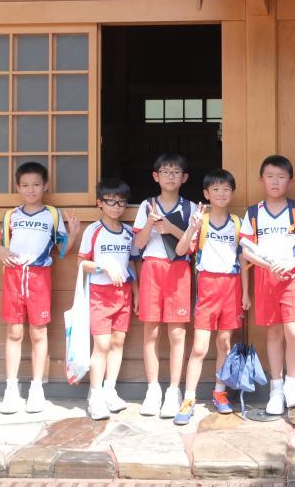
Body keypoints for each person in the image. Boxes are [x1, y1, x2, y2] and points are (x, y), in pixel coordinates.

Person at [0, 161, 77, 414]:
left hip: (40, 278)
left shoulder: (52, 215)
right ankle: (11, 388)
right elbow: (0, 243)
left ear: (45, 186)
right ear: (18, 187)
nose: (31, 190)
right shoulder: (11, 215)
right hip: (13, 277)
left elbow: (62, 250)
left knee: (39, 333)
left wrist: (73, 234)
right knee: (14, 332)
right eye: (25, 185)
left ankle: (36, 388)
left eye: (36, 184)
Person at [239, 155, 295, 415]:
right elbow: (246, 250)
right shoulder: (253, 212)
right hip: (265, 277)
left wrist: (290, 264)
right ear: (261, 180)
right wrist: (268, 265)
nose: (275, 181)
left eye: (281, 177)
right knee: (274, 333)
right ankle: (276, 387)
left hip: (293, 277)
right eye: (270, 176)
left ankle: (292, 383)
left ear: (290, 181)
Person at [171, 169, 244, 425]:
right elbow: (181, 249)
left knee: (224, 343)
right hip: (207, 287)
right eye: (215, 189)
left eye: (226, 189)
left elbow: (244, 260)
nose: (221, 193)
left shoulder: (238, 223)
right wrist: (192, 227)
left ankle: (219, 392)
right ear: (206, 194)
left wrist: (246, 293)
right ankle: (189, 399)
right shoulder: (200, 221)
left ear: (232, 192)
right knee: (200, 347)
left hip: (232, 287)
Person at [132, 153, 194, 418]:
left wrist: (169, 227)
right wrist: (149, 222)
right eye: (165, 171)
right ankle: (153, 390)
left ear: (184, 177)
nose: (170, 176)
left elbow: (192, 247)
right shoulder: (146, 205)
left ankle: (174, 390)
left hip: (179, 270)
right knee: (151, 332)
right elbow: (138, 244)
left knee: (177, 333)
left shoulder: (191, 207)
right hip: (152, 269)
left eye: (176, 172)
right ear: (155, 176)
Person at [78, 178, 139, 420]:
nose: (116, 207)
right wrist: (103, 266)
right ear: (99, 203)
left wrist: (136, 293)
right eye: (111, 202)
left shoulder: (128, 232)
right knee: (101, 345)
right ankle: (94, 396)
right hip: (99, 294)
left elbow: (132, 264)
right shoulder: (93, 230)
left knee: (117, 342)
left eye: (121, 202)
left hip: (123, 293)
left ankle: (109, 390)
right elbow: (82, 263)